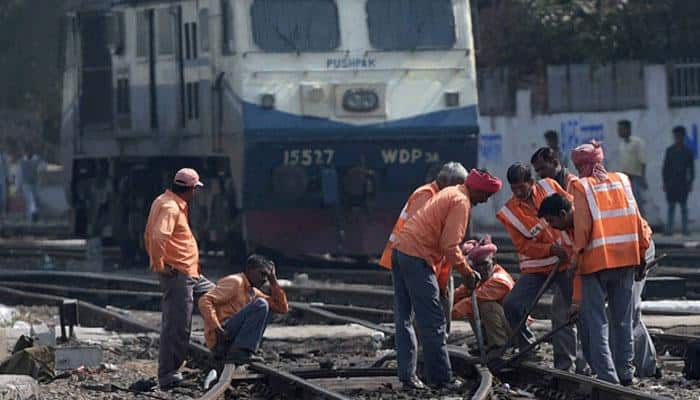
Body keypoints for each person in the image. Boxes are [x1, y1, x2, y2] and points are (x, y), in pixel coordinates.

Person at [391, 169, 502, 390]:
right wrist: (467, 272)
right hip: (417, 256)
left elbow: (443, 246)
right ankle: (442, 379)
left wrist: (445, 281)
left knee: (404, 317)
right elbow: (449, 246)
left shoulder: (451, 192)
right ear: (478, 189)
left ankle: (407, 377)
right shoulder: (461, 202)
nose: (486, 200)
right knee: (433, 322)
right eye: (486, 195)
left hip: (401, 250)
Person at [538, 193, 661, 380]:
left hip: (634, 251)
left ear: (563, 214)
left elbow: (640, 228)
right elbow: (580, 267)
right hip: (612, 257)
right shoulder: (571, 229)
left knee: (625, 315)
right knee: (612, 316)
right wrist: (577, 302)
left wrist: (642, 259)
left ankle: (645, 369)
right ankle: (614, 370)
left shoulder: (587, 218)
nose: (550, 226)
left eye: (551, 220)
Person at [566, 141, 649, 385]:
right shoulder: (623, 180)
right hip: (626, 259)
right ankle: (626, 373)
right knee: (623, 320)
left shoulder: (581, 186)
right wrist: (642, 254)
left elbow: (582, 229)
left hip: (596, 262)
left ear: (580, 165)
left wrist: (575, 257)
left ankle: (607, 376)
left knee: (597, 322)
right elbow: (637, 219)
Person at [497, 163, 575, 369]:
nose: (518, 193)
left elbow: (571, 211)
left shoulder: (549, 186)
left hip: (567, 264)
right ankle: (529, 349)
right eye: (514, 189)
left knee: (567, 313)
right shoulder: (509, 212)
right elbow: (523, 246)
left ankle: (567, 364)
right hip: (537, 269)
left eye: (522, 187)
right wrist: (550, 250)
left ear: (531, 182)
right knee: (512, 304)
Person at [144, 168, 215, 390]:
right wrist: (159, 265)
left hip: (191, 273)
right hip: (178, 274)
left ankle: (226, 352)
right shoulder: (170, 207)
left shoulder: (166, 200)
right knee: (177, 326)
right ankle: (168, 375)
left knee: (221, 297)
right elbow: (157, 237)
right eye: (195, 189)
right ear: (191, 189)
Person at [379, 162, 468, 335]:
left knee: (436, 305)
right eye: (456, 186)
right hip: (410, 258)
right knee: (415, 312)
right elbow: (422, 239)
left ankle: (434, 345)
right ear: (444, 181)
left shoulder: (445, 199)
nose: (458, 191)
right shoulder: (426, 195)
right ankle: (420, 351)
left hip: (425, 261)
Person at [531, 147, 587, 373]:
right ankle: (565, 367)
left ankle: (585, 366)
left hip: (580, 261)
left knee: (583, 314)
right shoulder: (545, 189)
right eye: (537, 171)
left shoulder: (573, 185)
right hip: (567, 261)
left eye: (543, 168)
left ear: (555, 162)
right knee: (561, 314)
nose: (541, 174)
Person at [198, 254, 288, 363]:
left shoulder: (253, 292)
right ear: (250, 270)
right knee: (261, 304)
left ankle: (243, 350)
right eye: (262, 274)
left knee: (265, 306)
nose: (264, 279)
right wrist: (216, 328)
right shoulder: (236, 282)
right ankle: (240, 351)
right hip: (221, 337)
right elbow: (204, 300)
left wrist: (273, 280)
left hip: (230, 340)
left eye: (267, 276)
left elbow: (282, 308)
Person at [452, 239, 514, 351]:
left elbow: (472, 301)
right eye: (477, 266)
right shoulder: (480, 279)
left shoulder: (499, 280)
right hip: (505, 325)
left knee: (484, 305)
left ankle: (499, 346)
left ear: (493, 261)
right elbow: (460, 293)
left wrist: (446, 316)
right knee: (471, 303)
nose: (481, 269)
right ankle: (486, 343)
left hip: (515, 330)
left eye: (485, 264)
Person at [662, 126, 695, 236]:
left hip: (682, 183)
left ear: (683, 137)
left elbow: (691, 169)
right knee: (671, 207)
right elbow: (665, 168)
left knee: (683, 207)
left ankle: (685, 230)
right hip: (671, 183)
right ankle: (669, 230)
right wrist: (665, 182)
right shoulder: (670, 151)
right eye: (675, 136)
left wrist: (690, 182)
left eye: (679, 136)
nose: (677, 138)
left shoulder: (687, 152)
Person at [617, 120, 647, 215]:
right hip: (625, 178)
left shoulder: (637, 143)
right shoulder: (622, 145)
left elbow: (642, 161)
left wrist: (643, 177)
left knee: (637, 202)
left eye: (621, 129)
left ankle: (643, 225)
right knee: (627, 203)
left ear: (628, 129)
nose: (619, 132)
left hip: (635, 177)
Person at [17, 145, 41, 223]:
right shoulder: (22, 161)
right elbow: (19, 174)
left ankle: (34, 216)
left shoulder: (36, 159)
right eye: (27, 151)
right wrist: (18, 185)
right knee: (30, 200)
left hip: (35, 183)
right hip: (26, 184)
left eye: (29, 151)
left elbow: (42, 168)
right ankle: (31, 217)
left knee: (36, 199)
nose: (28, 153)